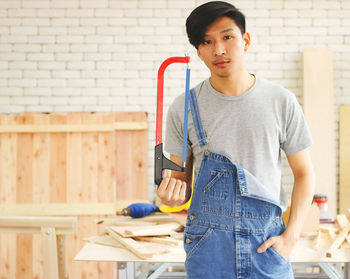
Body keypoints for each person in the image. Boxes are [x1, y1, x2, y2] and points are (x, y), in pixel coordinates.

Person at [157, 1, 315, 278]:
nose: (218, 49)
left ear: (246, 40)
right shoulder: (184, 107)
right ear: (198, 51)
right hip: (208, 251)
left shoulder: (281, 101)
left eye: (227, 37)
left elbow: (304, 174)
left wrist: (291, 238)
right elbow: (178, 185)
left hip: (266, 248)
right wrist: (170, 196)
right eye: (207, 42)